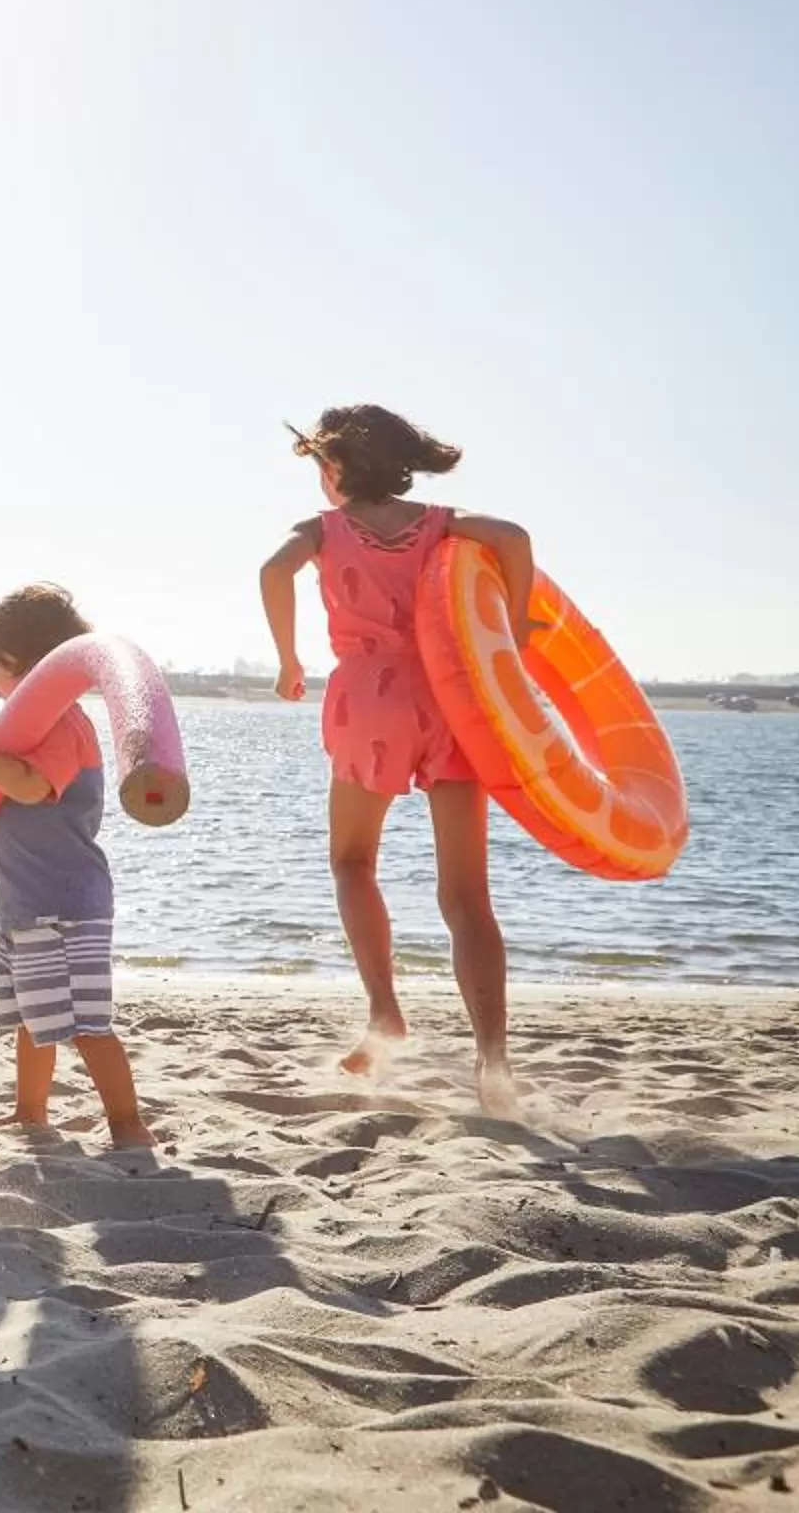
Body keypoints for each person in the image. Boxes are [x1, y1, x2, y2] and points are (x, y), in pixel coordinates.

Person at [260, 403, 533, 1114]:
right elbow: (513, 535)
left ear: (338, 468)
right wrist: (517, 631)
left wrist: (288, 659)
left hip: (368, 698)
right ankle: (494, 1062)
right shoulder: (440, 522)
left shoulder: (324, 531)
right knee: (467, 897)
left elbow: (272, 570)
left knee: (353, 862)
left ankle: (385, 1010)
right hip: (450, 698)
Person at [0, 584, 153, 1151]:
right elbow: (15, 809)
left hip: (66, 906)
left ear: (26, 668)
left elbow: (29, 786)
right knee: (31, 1016)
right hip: (23, 907)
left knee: (87, 1024)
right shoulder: (27, 733)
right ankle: (31, 1112)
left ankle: (127, 1123)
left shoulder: (65, 725)